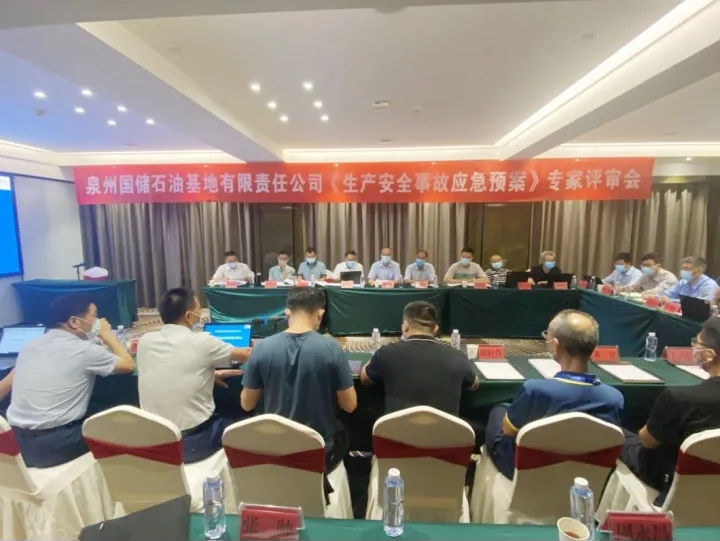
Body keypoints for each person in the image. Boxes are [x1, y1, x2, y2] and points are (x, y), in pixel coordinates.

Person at [485, 310, 624, 480]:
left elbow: (508, 431)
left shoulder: (534, 390)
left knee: (499, 411)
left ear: (555, 345)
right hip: (584, 474)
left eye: (547, 337)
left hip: (529, 471)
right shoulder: (614, 398)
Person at [6, 295, 135, 468]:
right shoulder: (85, 350)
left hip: (14, 440)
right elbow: (128, 365)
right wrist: (106, 335)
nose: (98, 322)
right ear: (74, 322)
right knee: (124, 420)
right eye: (94, 316)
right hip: (53, 444)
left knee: (98, 406)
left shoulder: (30, 345)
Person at [241, 288, 357, 477]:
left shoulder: (262, 348)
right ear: (320, 313)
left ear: (288, 312)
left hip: (274, 449)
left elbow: (246, 404)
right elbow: (350, 405)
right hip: (319, 450)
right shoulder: (332, 348)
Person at [137, 288, 249, 463]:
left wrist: (208, 375)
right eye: (199, 310)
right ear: (189, 316)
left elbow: (172, 369)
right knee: (242, 420)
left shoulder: (145, 341)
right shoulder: (202, 341)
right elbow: (246, 354)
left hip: (152, 439)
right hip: (191, 442)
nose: (201, 314)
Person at [621, 318, 720, 503]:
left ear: (708, 355)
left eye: (696, 343)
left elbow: (648, 441)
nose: (693, 348)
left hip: (669, 479)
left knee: (618, 434)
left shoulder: (678, 397)